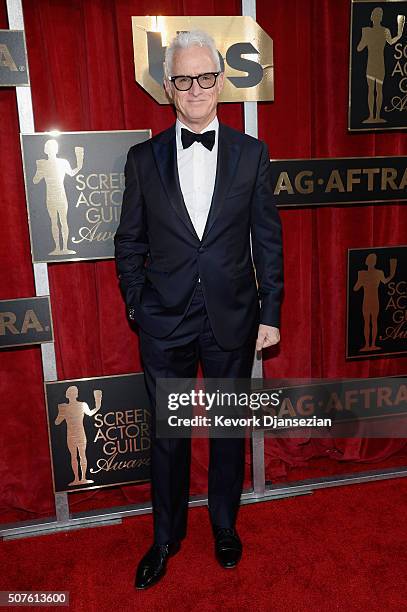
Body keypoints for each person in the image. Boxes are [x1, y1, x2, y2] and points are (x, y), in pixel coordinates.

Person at [114, 30, 283, 590]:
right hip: (165, 321)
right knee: (170, 435)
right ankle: (165, 538)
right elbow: (129, 242)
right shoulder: (142, 160)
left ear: (220, 82)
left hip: (233, 316)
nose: (195, 89)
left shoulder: (251, 154)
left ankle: (225, 526)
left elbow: (268, 240)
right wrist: (139, 305)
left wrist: (270, 312)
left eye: (205, 78)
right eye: (183, 80)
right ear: (168, 87)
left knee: (229, 429)